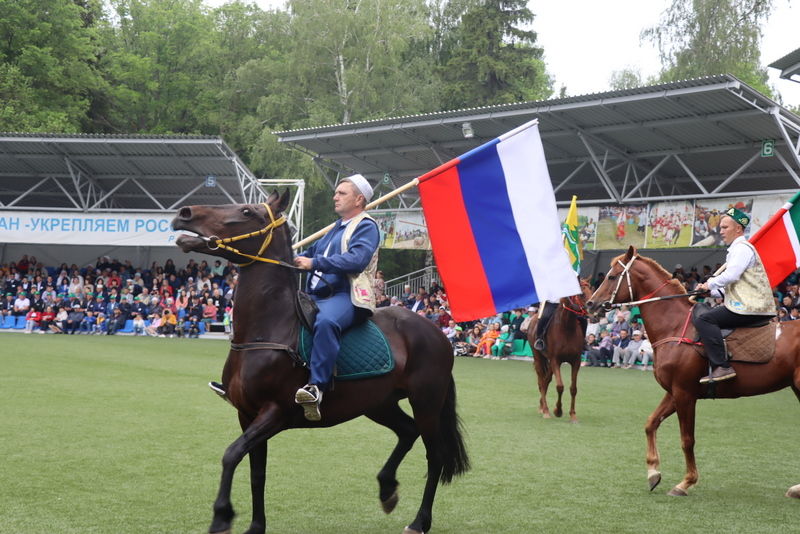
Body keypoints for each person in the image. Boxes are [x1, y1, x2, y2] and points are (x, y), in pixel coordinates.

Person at [291, 174, 380, 421]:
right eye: (336, 192)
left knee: (326, 322)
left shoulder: (366, 226)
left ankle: (316, 387)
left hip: (346, 295)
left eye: (342, 193)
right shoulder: (334, 229)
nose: (335, 196)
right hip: (314, 295)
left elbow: (356, 260)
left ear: (359, 199)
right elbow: (307, 254)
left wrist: (314, 262)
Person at [693, 207, 775, 383]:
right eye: (721, 228)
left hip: (750, 306)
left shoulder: (742, 249)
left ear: (738, 228)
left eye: (724, 227)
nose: (720, 231)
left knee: (704, 319)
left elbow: (731, 276)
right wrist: (709, 291)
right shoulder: (737, 250)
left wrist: (710, 283)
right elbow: (730, 286)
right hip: (744, 303)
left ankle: (722, 366)